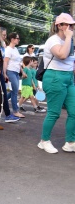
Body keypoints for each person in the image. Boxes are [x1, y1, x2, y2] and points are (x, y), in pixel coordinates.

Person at [37, 13, 75, 154]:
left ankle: (70, 142)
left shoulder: (69, 40)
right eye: (68, 25)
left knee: (74, 111)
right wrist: (69, 37)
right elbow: (62, 55)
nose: (71, 27)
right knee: (54, 113)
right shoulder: (53, 40)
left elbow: (71, 62)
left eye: (72, 25)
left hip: (68, 78)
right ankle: (44, 141)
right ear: (59, 26)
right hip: (54, 77)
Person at [0, 27, 19, 123]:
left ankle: (7, 114)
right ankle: (9, 114)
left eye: (6, 35)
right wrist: (4, 72)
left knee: (3, 94)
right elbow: (3, 60)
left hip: (1, 71)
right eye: (3, 35)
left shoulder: (3, 45)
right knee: (1, 94)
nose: (5, 37)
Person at [3, 32, 26, 118]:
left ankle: (2, 100)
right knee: (15, 92)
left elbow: (18, 63)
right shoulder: (8, 49)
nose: (18, 40)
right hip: (10, 71)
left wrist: (22, 71)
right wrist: (4, 73)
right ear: (12, 39)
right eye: (17, 38)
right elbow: (5, 62)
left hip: (16, 72)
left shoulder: (15, 49)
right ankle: (15, 111)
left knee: (13, 91)